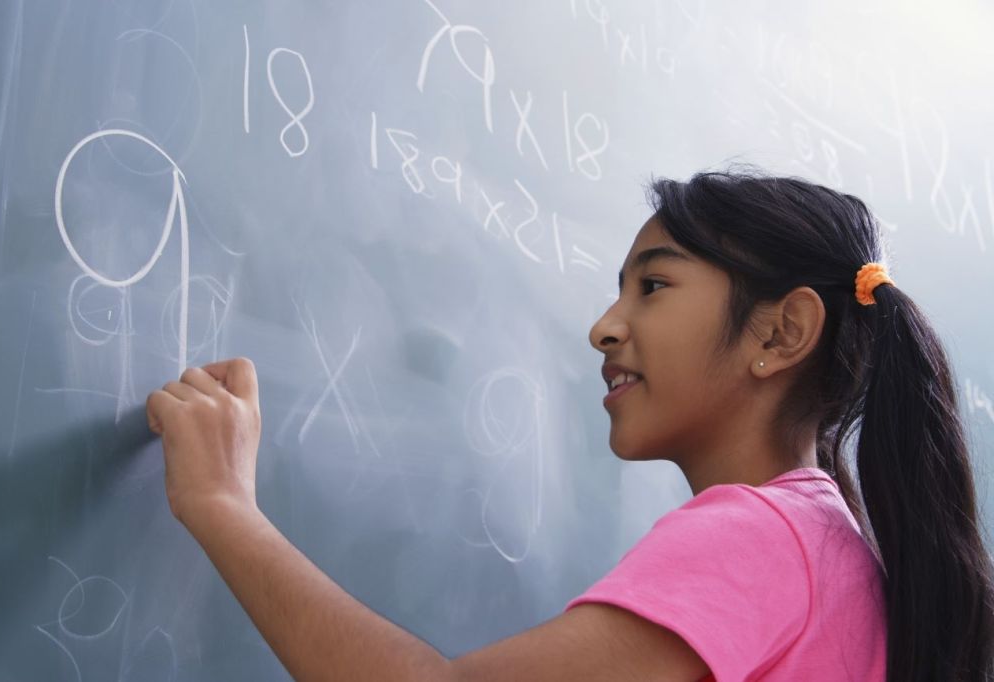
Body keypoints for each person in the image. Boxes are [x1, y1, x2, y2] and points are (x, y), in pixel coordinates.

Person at [146, 167, 994, 681]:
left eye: (652, 287)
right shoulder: (830, 545)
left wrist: (223, 505)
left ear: (781, 333)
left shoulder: (760, 537)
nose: (605, 326)